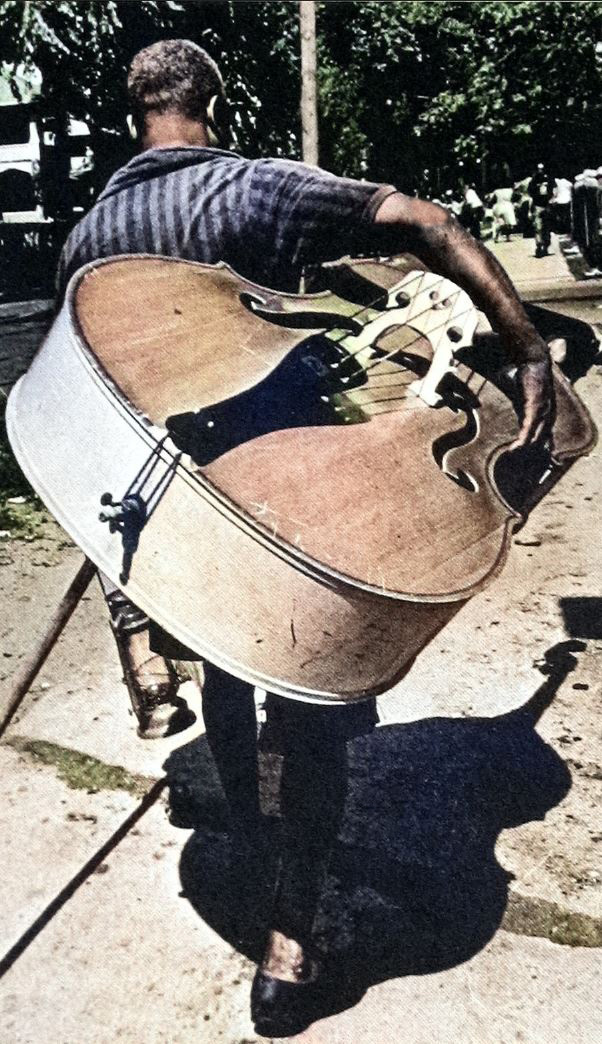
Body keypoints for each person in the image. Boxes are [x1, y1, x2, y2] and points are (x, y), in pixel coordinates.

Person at [56, 40, 555, 1036]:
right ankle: (288, 949)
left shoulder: (89, 238)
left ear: (130, 116)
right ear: (216, 101)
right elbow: (422, 222)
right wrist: (526, 342)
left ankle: (244, 836)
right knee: (311, 705)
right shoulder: (247, 190)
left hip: (179, 511)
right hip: (298, 502)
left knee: (229, 677)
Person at [528, 162, 555, 257]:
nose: (540, 171)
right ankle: (539, 245)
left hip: (547, 206)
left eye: (542, 169)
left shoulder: (549, 179)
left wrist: (552, 199)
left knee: (547, 228)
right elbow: (530, 194)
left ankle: (546, 246)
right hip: (537, 206)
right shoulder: (533, 181)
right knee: (538, 228)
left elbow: (554, 190)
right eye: (539, 169)